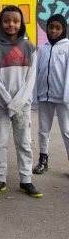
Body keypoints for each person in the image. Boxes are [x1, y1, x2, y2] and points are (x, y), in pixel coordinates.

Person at [0, 6, 42, 198]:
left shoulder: (29, 47)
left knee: (24, 143)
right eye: (7, 21)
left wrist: (17, 104)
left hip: (23, 106)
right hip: (1, 105)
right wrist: (8, 103)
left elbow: (30, 80)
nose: (11, 24)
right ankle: (0, 178)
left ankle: (26, 180)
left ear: (21, 24)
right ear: (1, 23)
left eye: (15, 21)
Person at [33, 14, 69, 174]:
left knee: (66, 130)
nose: (53, 31)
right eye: (51, 27)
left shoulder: (67, 47)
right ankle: (43, 159)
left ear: (63, 29)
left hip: (62, 97)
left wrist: (67, 96)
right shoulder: (43, 48)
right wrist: (35, 96)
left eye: (58, 28)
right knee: (43, 129)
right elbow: (36, 72)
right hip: (44, 96)